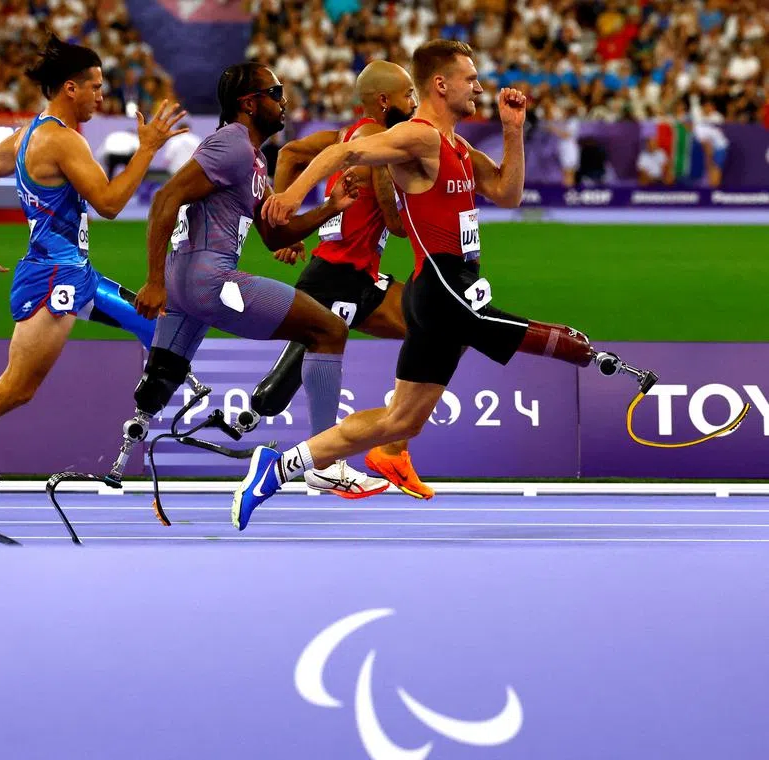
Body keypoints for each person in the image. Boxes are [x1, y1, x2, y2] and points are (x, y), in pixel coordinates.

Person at [232, 40, 657, 529]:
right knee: (528, 337)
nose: (479, 86)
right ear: (440, 84)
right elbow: (344, 151)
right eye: (470, 78)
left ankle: (278, 467)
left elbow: (508, 193)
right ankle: (592, 354)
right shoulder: (420, 138)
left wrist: (512, 132)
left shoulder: (459, 147)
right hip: (441, 289)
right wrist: (290, 195)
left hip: (447, 288)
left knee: (400, 422)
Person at [0, 33, 191, 525]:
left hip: (75, 271)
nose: (101, 94)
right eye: (94, 85)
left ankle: (162, 404)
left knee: (157, 324)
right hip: (55, 276)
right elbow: (110, 204)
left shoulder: (34, 133)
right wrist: (147, 150)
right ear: (69, 88)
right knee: (15, 388)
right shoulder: (61, 141)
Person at [113, 62, 380, 499]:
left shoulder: (252, 157)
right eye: (275, 93)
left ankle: (118, 461)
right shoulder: (233, 145)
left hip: (188, 286)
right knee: (329, 330)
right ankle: (326, 463)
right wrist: (152, 280)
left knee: (161, 379)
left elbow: (274, 233)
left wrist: (331, 207)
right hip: (207, 281)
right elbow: (166, 198)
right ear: (249, 103)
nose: (284, 101)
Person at [250, 59, 433, 499]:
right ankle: (286, 451)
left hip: (360, 274)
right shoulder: (378, 142)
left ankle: (393, 444)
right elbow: (394, 222)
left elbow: (291, 153)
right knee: (271, 397)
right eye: (409, 94)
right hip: (336, 274)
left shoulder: (344, 137)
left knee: (437, 333)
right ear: (385, 101)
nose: (414, 102)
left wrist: (286, 222)